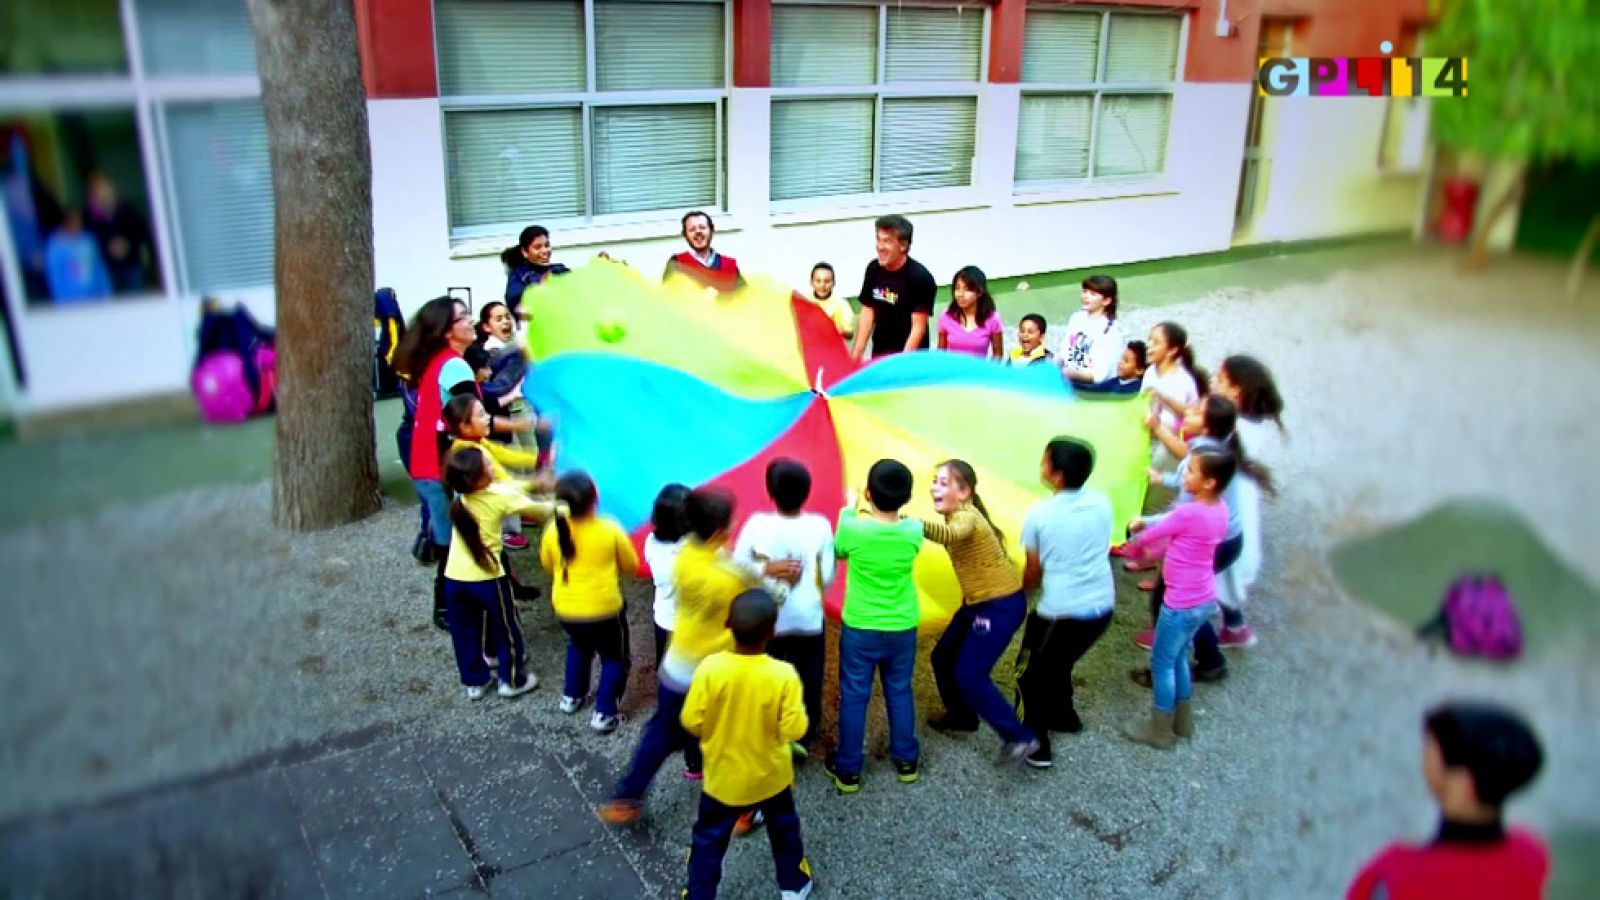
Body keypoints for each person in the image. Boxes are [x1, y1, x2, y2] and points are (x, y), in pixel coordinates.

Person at [597, 488, 799, 825]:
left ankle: (625, 798)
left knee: (660, 733)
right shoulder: (728, 578)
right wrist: (780, 584)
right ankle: (744, 812)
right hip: (717, 671)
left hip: (678, 664)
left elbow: (726, 562)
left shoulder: (686, 555)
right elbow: (758, 600)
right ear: (721, 531)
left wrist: (756, 567)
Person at [396, 297, 535, 627]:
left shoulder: (443, 361)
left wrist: (507, 399)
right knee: (456, 543)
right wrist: (521, 423)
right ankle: (448, 610)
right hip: (439, 467)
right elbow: (475, 416)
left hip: (429, 463)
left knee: (470, 532)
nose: (471, 320)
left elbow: (478, 403)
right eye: (464, 317)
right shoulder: (454, 366)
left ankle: (500, 585)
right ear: (448, 331)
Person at [680, 589, 815, 900]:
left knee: (708, 839)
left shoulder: (711, 669)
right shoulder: (783, 675)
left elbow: (691, 720)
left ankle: (700, 893)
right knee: (784, 830)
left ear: (728, 623)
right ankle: (794, 885)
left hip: (723, 779)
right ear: (772, 632)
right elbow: (795, 728)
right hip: (771, 777)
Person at [1131, 396, 1273, 681]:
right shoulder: (1213, 454)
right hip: (1226, 539)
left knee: (1175, 604)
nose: (1189, 411)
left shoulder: (1200, 462)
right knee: (1184, 602)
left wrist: (1143, 525)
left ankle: (1184, 665)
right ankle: (1205, 655)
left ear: (1207, 425)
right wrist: (1165, 480)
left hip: (1214, 543)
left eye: (1196, 411)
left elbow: (1181, 517)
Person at [1348, 702, 1547, 899]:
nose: (1425, 751)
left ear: (1465, 782)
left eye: (1433, 745)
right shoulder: (1528, 856)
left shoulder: (1394, 877)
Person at [923, 460, 1039, 761]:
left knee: (970, 674)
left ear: (965, 492)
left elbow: (950, 535)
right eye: (935, 481)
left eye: (944, 483)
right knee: (943, 656)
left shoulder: (966, 518)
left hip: (997, 606)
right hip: (976, 603)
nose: (935, 487)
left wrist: (908, 523)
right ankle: (962, 717)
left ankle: (1020, 736)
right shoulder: (957, 515)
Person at [1119, 451, 1235, 748]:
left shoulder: (1189, 512)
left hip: (1180, 603)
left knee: (1161, 663)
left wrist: (1131, 546)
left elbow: (1150, 536)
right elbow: (1178, 543)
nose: (1184, 475)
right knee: (1179, 657)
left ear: (1209, 482)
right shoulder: (1220, 509)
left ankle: (1159, 731)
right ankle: (1183, 722)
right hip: (1204, 599)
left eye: (1191, 471)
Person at [823, 460, 924, 794]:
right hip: (902, 625)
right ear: (907, 497)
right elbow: (905, 531)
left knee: (854, 695)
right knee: (899, 690)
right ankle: (907, 761)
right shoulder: (913, 531)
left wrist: (848, 508)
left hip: (861, 626)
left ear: (868, 493)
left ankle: (848, 770)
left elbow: (837, 550)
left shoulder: (853, 528)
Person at [1013, 438, 1114, 768]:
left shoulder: (1041, 514)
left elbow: (1033, 570)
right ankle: (1065, 717)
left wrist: (1019, 593)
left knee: (1030, 677)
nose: (1041, 466)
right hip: (1102, 607)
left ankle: (1036, 745)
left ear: (1056, 475)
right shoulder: (1101, 502)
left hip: (1062, 612)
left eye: (1045, 462)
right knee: (1059, 662)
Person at [732, 459, 835, 758]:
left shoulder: (756, 524)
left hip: (767, 619)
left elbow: (738, 565)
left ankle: (767, 728)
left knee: (767, 673)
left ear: (770, 492)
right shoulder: (820, 525)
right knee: (808, 676)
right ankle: (802, 734)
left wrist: (765, 569)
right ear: (807, 492)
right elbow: (827, 575)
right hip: (808, 617)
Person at [439, 448, 554, 700]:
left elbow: (510, 486)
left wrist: (534, 481)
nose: (493, 467)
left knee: (464, 632)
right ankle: (512, 680)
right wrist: (569, 504)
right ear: (478, 478)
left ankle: (474, 681)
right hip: (487, 579)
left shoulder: (460, 495)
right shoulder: (498, 498)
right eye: (488, 466)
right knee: (506, 628)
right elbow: (541, 510)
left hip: (454, 578)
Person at [541, 472, 638, 734]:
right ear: (595, 500)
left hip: (566, 607)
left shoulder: (553, 529)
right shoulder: (609, 528)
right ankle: (604, 713)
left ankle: (572, 696)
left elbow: (547, 564)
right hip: (604, 610)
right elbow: (631, 564)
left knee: (579, 647)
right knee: (615, 658)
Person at [441, 394, 546, 556]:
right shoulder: (475, 454)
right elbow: (505, 482)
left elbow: (503, 453)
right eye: (482, 415)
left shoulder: (473, 442)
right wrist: (538, 482)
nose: (488, 418)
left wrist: (540, 459)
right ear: (465, 426)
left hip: (478, 517)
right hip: (482, 519)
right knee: (487, 549)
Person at [849, 215, 937, 361]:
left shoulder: (920, 277)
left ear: (903, 246)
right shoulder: (873, 269)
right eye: (878, 239)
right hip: (881, 353)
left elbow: (918, 327)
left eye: (886, 241)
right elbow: (868, 311)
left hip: (912, 357)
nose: (880, 246)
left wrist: (902, 363)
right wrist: (857, 353)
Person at [644, 483, 693, 667]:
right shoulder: (697, 551)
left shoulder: (651, 543)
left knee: (666, 671)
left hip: (665, 620)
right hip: (692, 624)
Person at [1141, 322, 1203, 465]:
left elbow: (1176, 424)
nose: (1149, 345)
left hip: (1173, 443)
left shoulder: (1181, 381)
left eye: (1155, 342)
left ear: (1172, 350)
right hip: (1153, 436)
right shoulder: (1150, 371)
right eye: (1149, 340)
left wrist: (1160, 399)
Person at [84, 172, 152, 293]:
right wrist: (107, 247)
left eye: (105, 187)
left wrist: (127, 244)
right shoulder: (90, 217)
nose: (103, 192)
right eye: (98, 190)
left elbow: (141, 232)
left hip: (131, 263)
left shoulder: (126, 209)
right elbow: (89, 244)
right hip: (108, 269)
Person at [1058, 274, 1128, 386]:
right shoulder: (1077, 317)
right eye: (1085, 292)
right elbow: (1064, 350)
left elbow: (1100, 375)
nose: (1086, 296)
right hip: (1068, 378)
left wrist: (1070, 374)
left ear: (1106, 301)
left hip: (1095, 388)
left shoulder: (1112, 331)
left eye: (1092, 294)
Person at [664, 211, 744, 293]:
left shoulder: (730, 265)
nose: (698, 232)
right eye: (692, 229)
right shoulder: (677, 263)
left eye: (702, 227)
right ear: (685, 235)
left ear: (712, 231)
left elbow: (744, 297)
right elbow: (667, 298)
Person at [501, 225, 570, 318]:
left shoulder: (560, 270)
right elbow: (518, 309)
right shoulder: (519, 276)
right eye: (538, 247)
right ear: (524, 251)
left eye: (547, 245)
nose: (545, 251)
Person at [936, 266, 1004, 359]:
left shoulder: (992, 318)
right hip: (953, 372)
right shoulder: (946, 316)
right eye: (957, 288)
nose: (960, 294)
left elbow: (998, 356)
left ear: (979, 292)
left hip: (979, 372)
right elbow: (940, 353)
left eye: (967, 289)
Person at [44, 209, 111, 303]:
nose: (76, 223)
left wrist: (106, 293)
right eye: (72, 220)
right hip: (71, 302)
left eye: (78, 220)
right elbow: (55, 278)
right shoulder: (55, 246)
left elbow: (99, 268)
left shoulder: (89, 240)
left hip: (95, 299)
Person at [803, 262, 854, 338]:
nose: (822, 285)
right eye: (818, 281)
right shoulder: (804, 302)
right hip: (809, 347)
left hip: (832, 347)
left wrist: (843, 331)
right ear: (811, 282)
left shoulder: (841, 304)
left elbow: (850, 334)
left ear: (834, 283)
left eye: (827, 281)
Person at [1077, 340, 1147, 395]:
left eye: (1126, 361)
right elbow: (1093, 389)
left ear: (1139, 370)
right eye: (1121, 358)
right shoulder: (1116, 381)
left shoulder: (1135, 391)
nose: (1120, 363)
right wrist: (1069, 383)